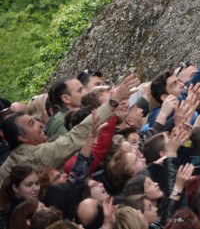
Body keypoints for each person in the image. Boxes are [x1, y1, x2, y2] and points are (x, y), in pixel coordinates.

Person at [0, 74, 139, 183]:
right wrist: (112, 102)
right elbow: (74, 138)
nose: (40, 125)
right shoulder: (33, 155)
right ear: (22, 138)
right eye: (32, 123)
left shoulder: (11, 162)